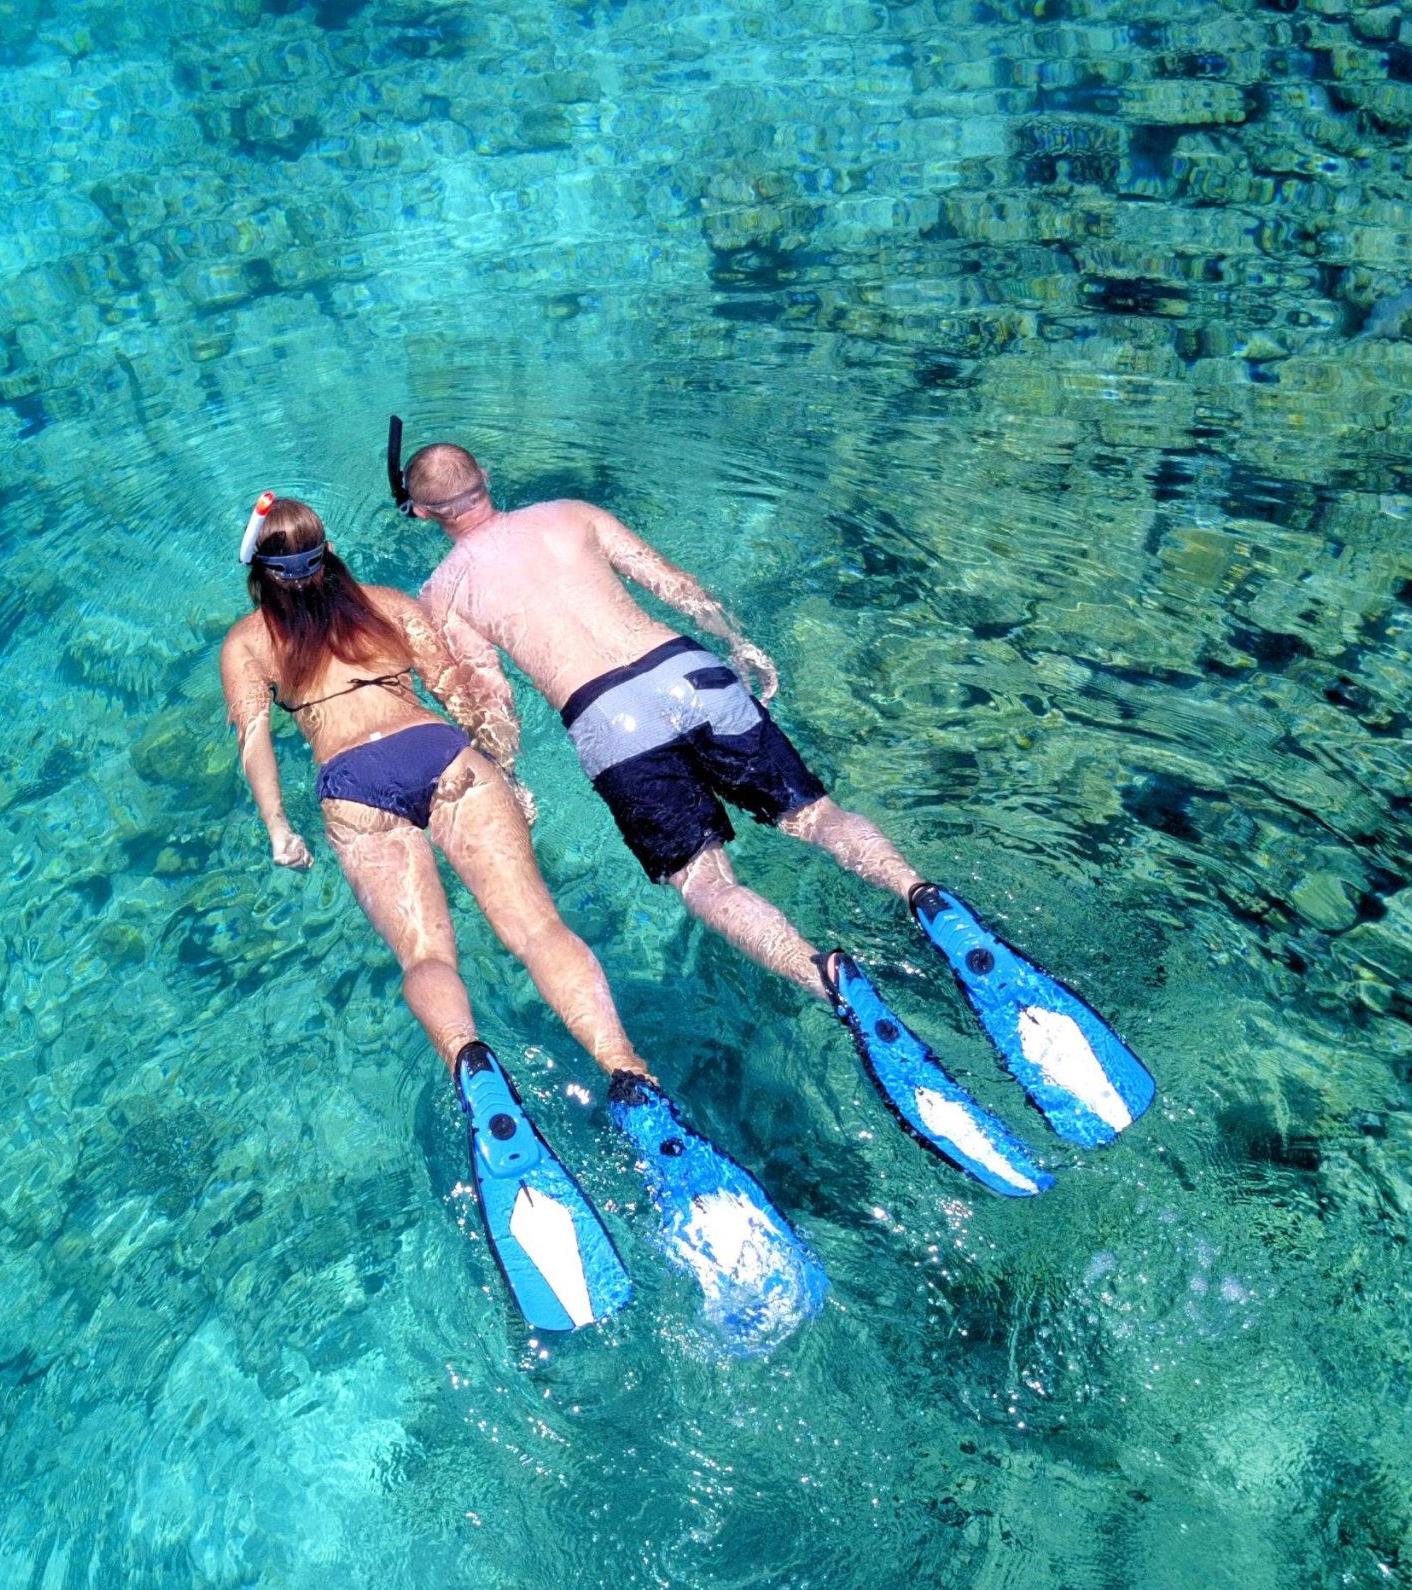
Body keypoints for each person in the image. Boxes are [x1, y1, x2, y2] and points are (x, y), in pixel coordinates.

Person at [396, 433, 1154, 1196]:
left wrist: (505, 772)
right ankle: (925, 898)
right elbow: (673, 582)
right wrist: (738, 640)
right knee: (818, 816)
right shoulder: (570, 513)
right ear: (486, 479)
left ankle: (829, 978)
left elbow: (489, 704)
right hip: (689, 670)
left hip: (609, 718)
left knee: (706, 883)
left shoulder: (447, 589)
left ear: (424, 512)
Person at [220, 492, 825, 1350]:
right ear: (326, 554)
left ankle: (475, 1071)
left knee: (429, 954)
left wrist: (280, 827)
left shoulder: (249, 642)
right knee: (540, 930)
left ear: (259, 571)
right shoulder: (390, 604)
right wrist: (504, 766)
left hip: (352, 781)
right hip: (441, 753)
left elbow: (252, 736)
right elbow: (461, 685)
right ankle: (629, 1076)